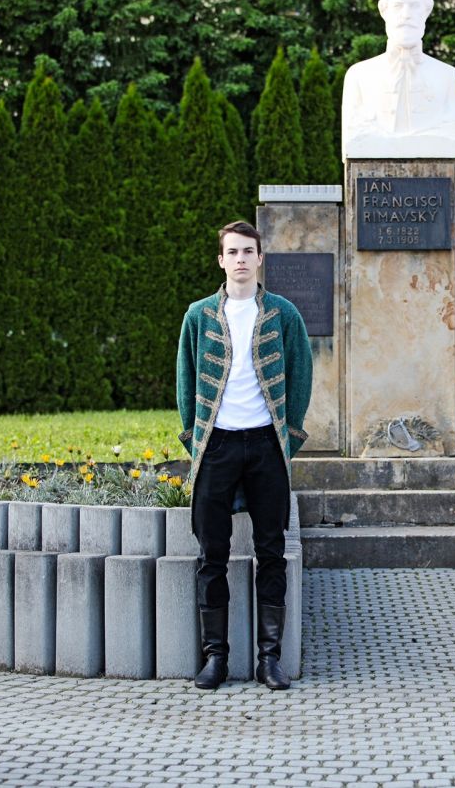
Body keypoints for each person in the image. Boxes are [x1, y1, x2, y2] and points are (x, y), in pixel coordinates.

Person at [176, 221, 313, 691]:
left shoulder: (283, 314)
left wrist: (287, 437)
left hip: (265, 446)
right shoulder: (198, 315)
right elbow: (185, 379)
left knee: (271, 552)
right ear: (221, 260)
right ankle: (215, 657)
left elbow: (301, 375)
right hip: (216, 445)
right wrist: (194, 437)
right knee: (211, 553)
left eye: (247, 251)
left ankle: (268, 659)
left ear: (259, 258)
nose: (240, 259)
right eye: (232, 251)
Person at [340, 0, 455, 159]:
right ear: (384, 11)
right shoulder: (358, 76)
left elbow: (454, 133)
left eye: (414, 6)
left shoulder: (448, 77)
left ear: (426, 11)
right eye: (398, 6)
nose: (406, 14)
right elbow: (354, 134)